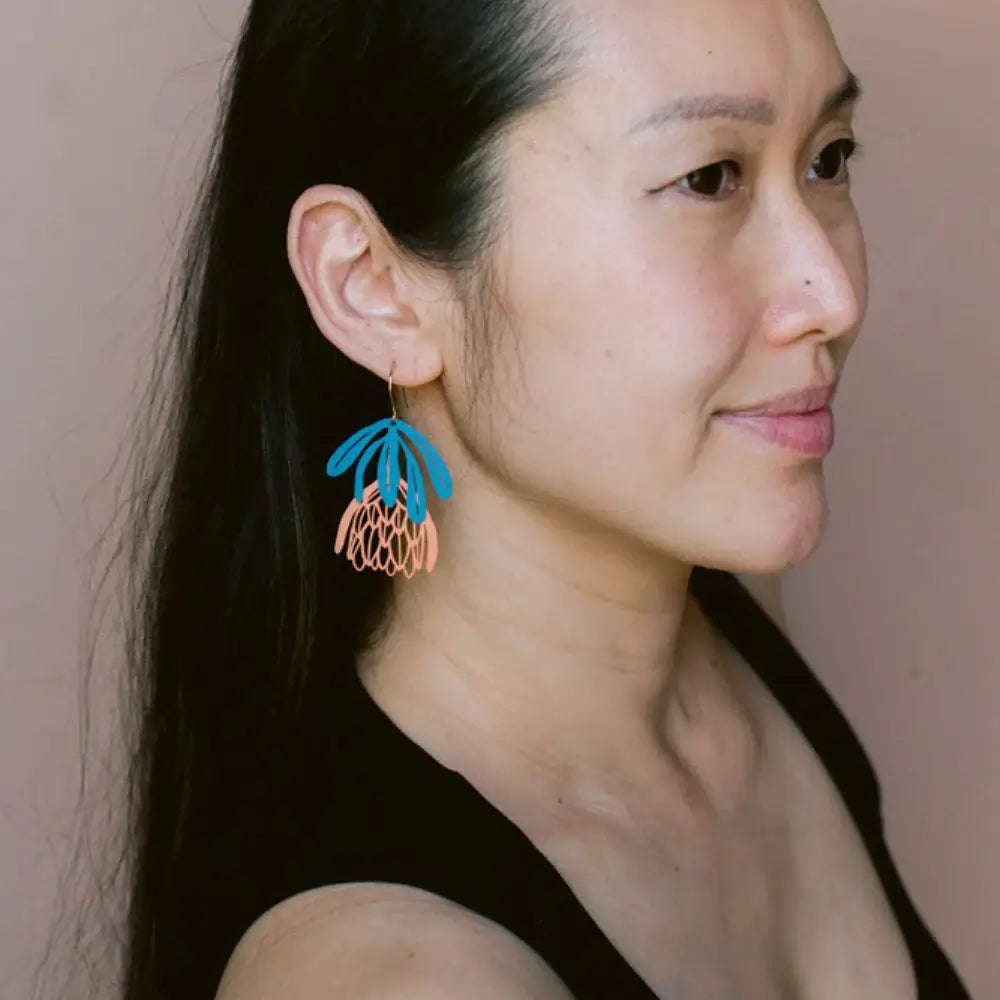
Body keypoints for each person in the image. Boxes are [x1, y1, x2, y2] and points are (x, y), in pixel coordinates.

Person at [102, 0, 974, 998]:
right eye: (708, 178)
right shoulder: (404, 977)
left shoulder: (727, 618)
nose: (833, 293)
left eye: (828, 158)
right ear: (374, 287)